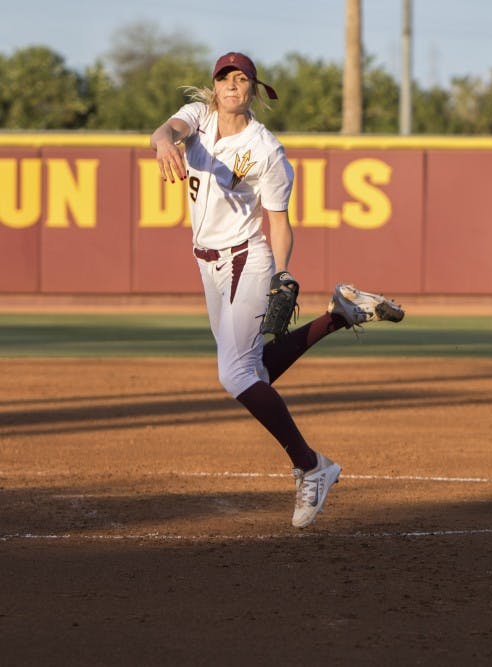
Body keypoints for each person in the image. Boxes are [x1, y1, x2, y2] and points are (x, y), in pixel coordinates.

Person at [150, 52, 404, 529]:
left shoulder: (266, 150)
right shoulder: (199, 117)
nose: (231, 85)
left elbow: (280, 224)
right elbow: (165, 132)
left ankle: (312, 466)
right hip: (206, 264)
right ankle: (339, 314)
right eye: (224, 77)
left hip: (247, 258)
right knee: (252, 368)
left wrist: (281, 273)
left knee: (235, 373)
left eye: (240, 78)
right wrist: (163, 142)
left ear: (253, 89)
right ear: (215, 86)